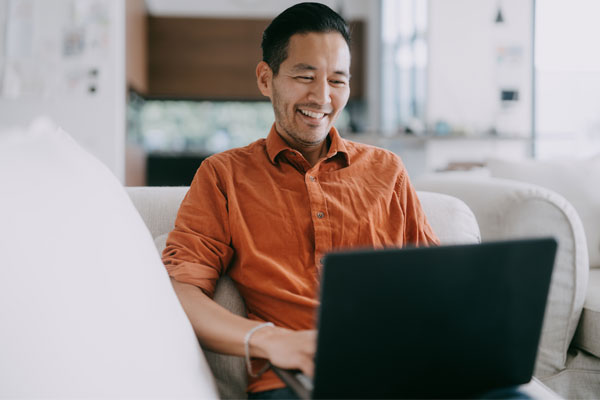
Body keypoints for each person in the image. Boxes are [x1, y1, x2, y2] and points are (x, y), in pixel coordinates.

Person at [162, 2, 438, 398]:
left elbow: (435, 283)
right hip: (295, 382)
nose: (322, 97)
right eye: (305, 76)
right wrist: (270, 340)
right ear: (265, 78)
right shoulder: (223, 176)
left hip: (398, 370)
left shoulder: (388, 170)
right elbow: (180, 291)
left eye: (338, 81)